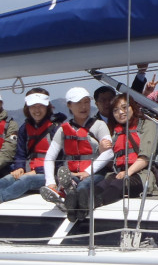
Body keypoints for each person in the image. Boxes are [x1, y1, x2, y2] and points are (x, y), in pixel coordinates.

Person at [0, 88, 65, 212]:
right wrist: (19, 168)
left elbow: (61, 160)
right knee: (9, 178)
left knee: (26, 180)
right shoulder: (25, 128)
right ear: (27, 108)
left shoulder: (57, 128)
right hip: (29, 170)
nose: (37, 110)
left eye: (40, 106)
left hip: (50, 175)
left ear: (47, 107)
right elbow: (20, 153)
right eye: (33, 106)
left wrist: (36, 171)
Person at [68, 93, 158, 222]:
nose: (120, 112)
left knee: (119, 184)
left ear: (133, 107)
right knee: (99, 186)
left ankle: (92, 203)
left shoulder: (147, 125)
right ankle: (75, 205)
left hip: (142, 175)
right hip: (118, 173)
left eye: (124, 107)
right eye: (116, 110)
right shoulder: (115, 131)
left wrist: (127, 172)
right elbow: (110, 159)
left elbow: (145, 157)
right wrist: (101, 150)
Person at [39, 87, 114, 215]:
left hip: (94, 173)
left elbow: (109, 152)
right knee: (74, 182)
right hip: (72, 173)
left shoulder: (99, 125)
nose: (83, 107)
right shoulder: (63, 129)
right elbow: (50, 157)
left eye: (86, 102)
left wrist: (87, 172)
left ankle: (67, 199)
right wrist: (50, 182)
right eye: (78, 103)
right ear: (69, 105)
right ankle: (66, 192)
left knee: (83, 186)